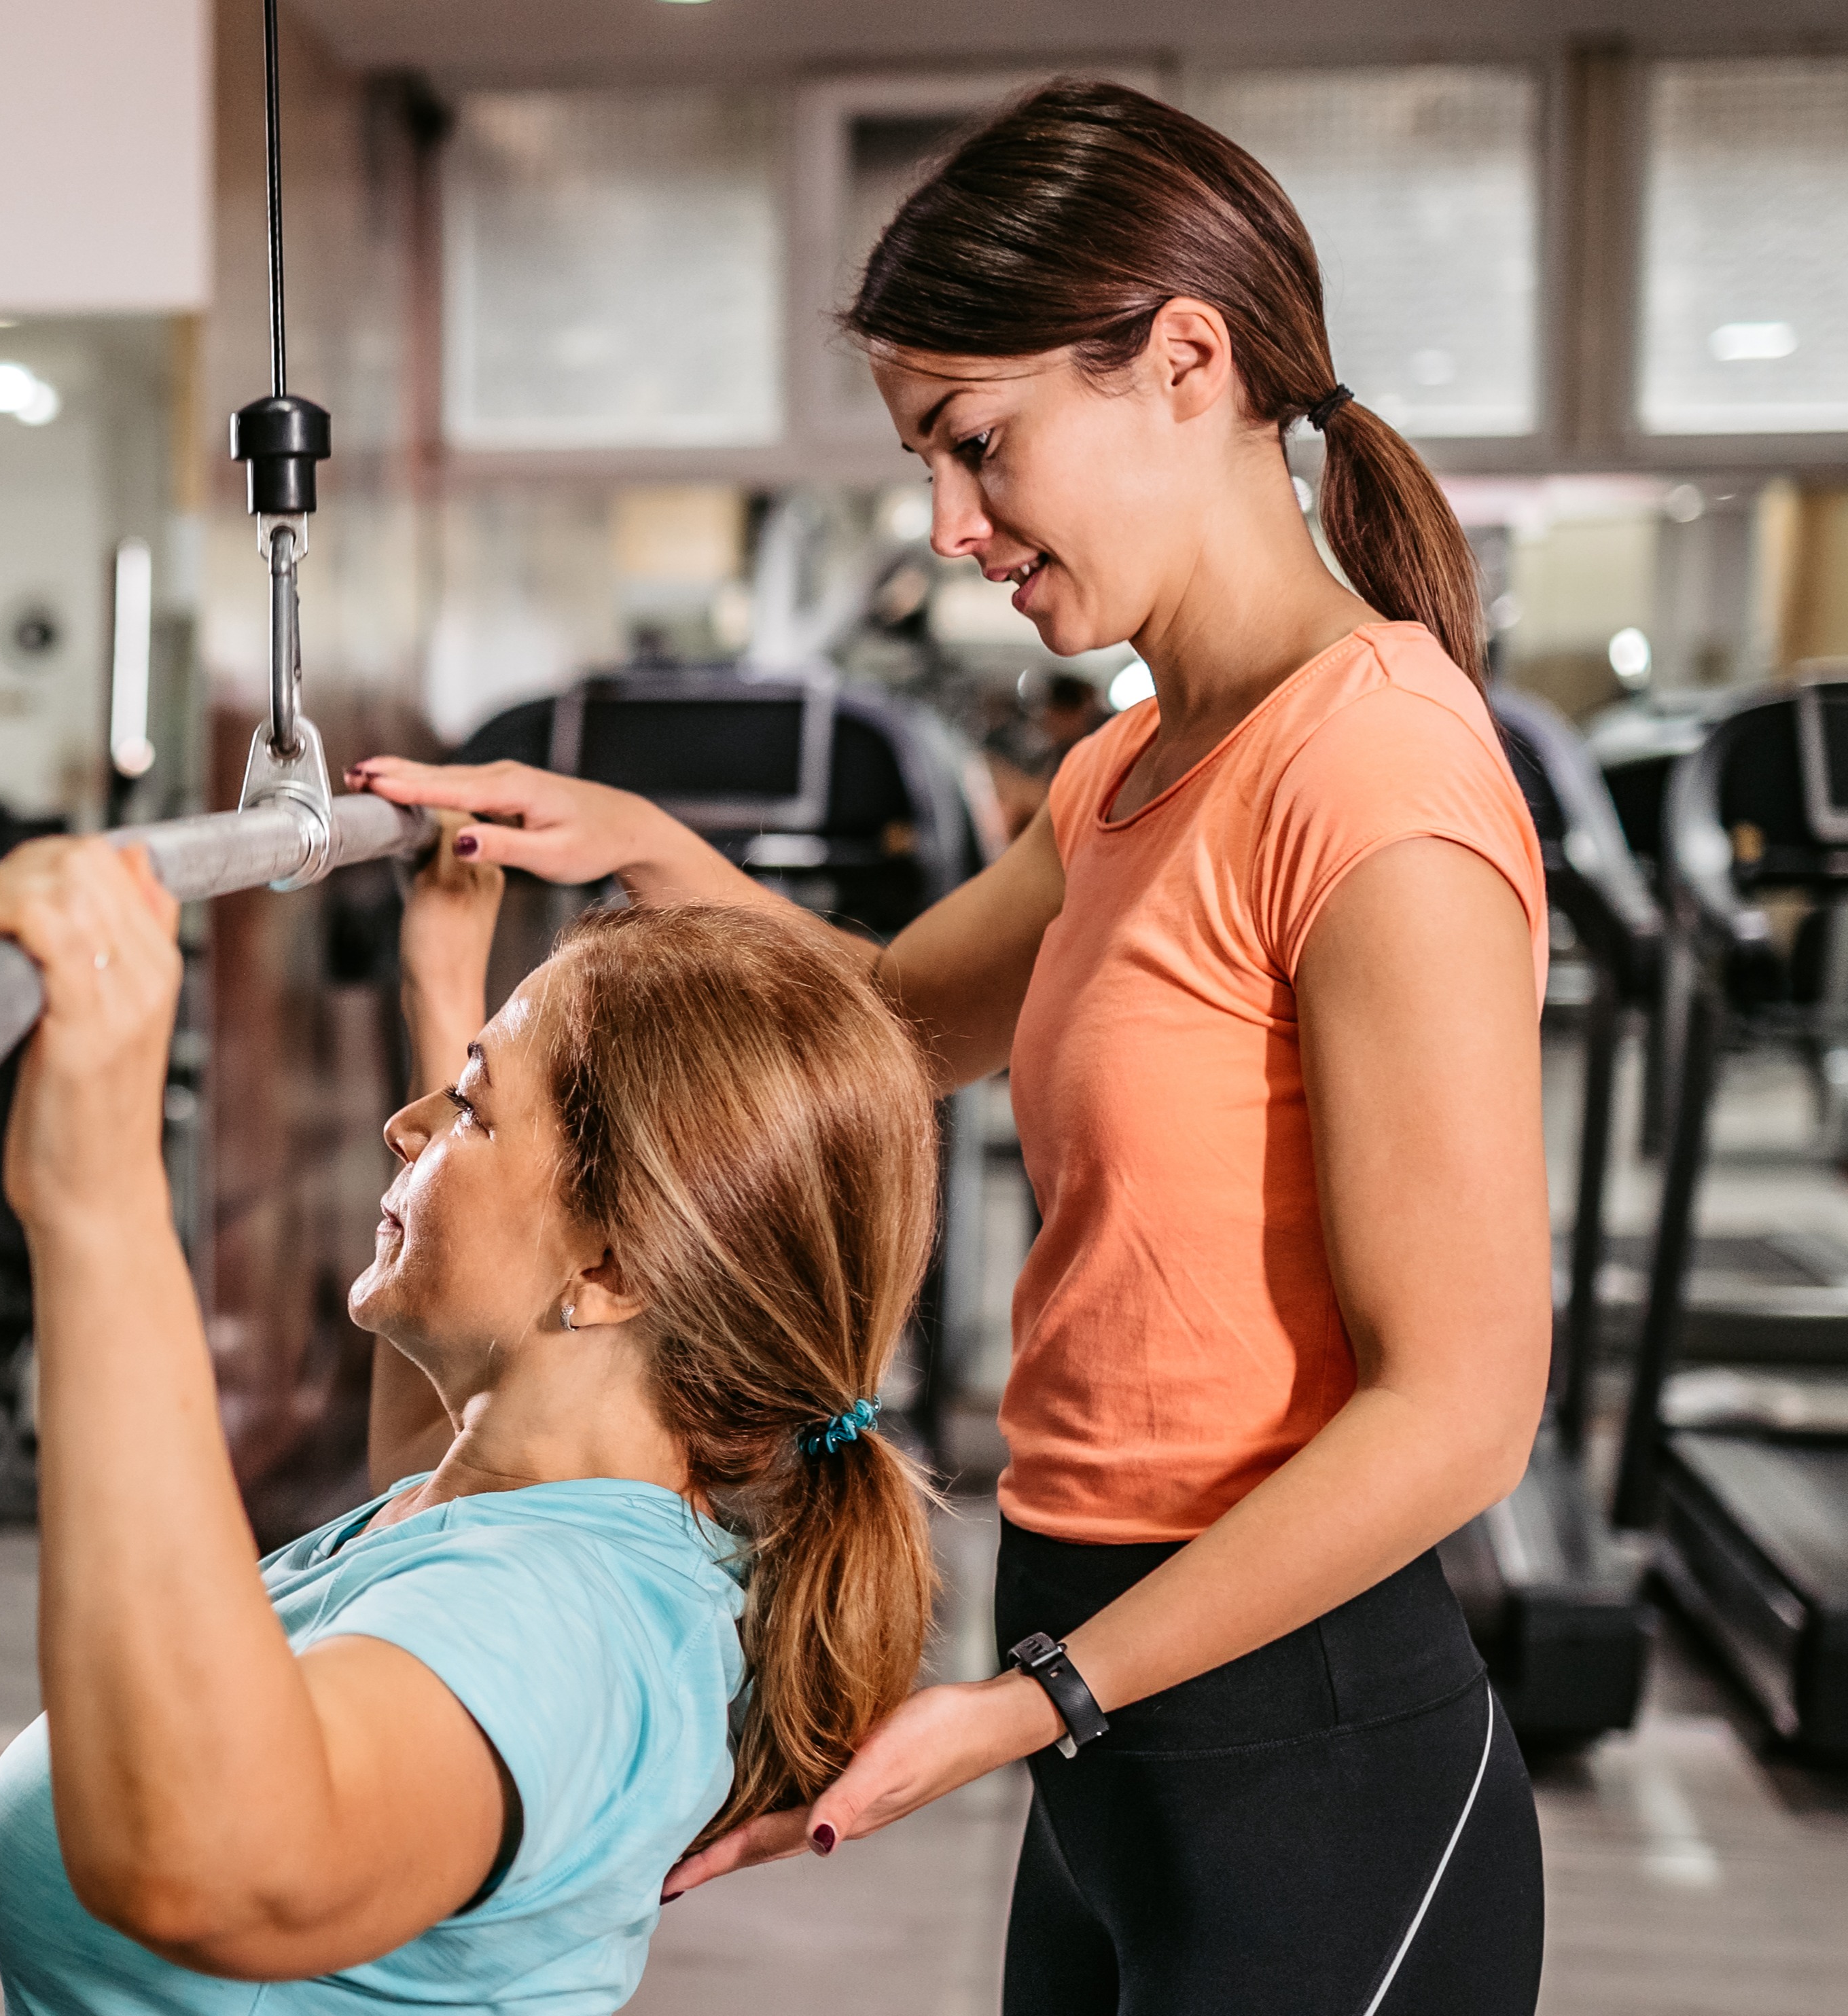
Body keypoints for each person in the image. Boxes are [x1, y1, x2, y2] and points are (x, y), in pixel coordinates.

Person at [355, 76, 1556, 2016]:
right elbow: (894, 1028)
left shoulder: (1377, 780)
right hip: (1103, 1699)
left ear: (1184, 361)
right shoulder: (1132, 766)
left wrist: (1023, 1704)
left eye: (974, 443)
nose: (944, 523)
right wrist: (642, 852)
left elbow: (1460, 1411)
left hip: (1296, 1743)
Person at [0, 827, 944, 2013]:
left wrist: (99, 1192)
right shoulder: (544, 1502)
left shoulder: (562, 1627)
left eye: (467, 1112)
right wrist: (441, 982)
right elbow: (440, 1487)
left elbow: (218, 1871)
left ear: (610, 1269)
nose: (404, 1126)